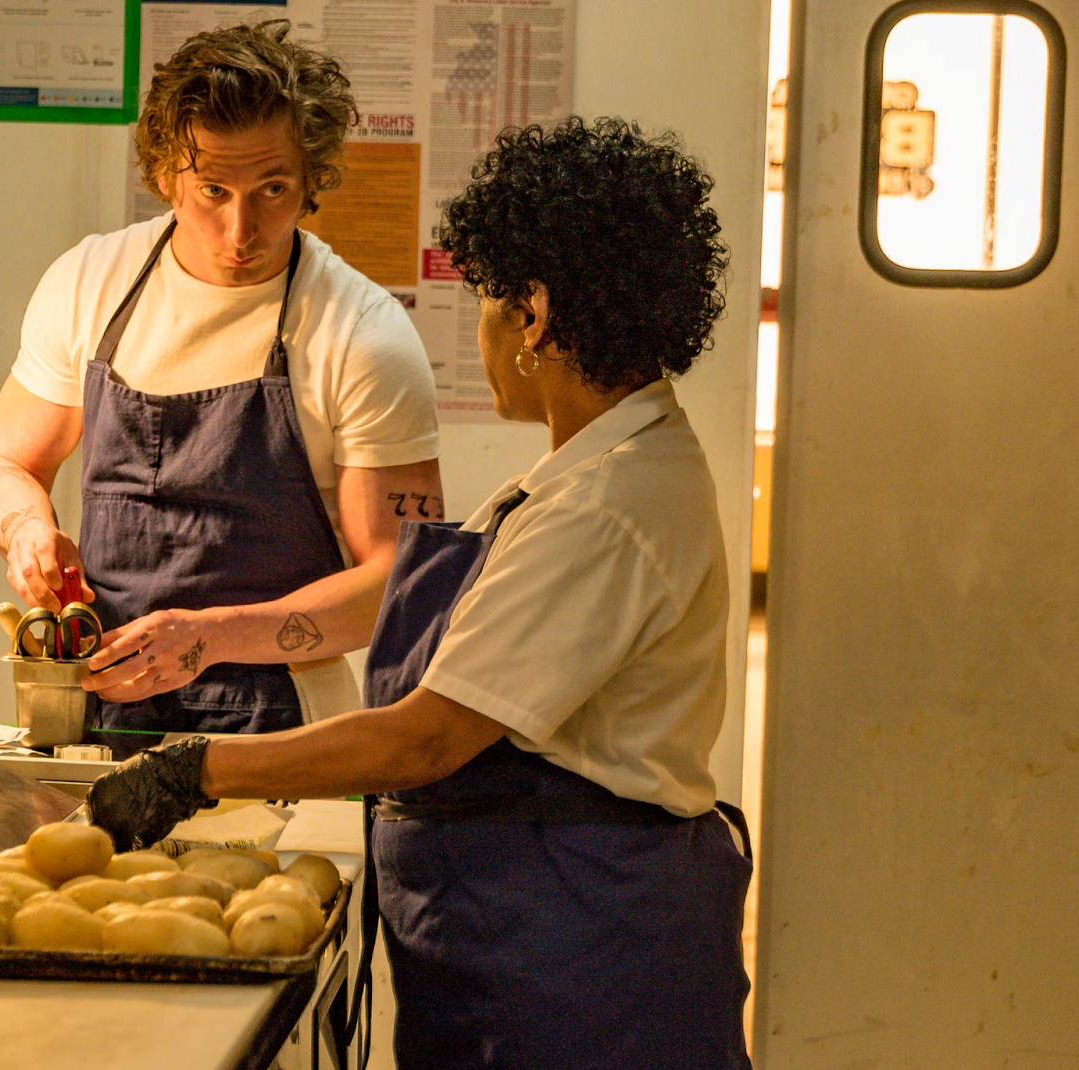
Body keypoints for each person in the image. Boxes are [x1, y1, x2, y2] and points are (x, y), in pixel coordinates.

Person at [87, 117, 752, 1069]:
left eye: (484, 301)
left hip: (577, 955)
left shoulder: (606, 508)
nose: (478, 331)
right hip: (531, 934)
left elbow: (427, 736)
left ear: (535, 316)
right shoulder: (598, 469)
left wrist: (192, 773)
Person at [0, 21, 442, 739]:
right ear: (165, 175)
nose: (240, 229)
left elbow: (398, 579)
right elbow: (9, 465)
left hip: (284, 727)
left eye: (273, 188)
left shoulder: (361, 333)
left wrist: (214, 638)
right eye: (213, 190)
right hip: (101, 707)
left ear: (312, 177)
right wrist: (27, 530)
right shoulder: (89, 285)